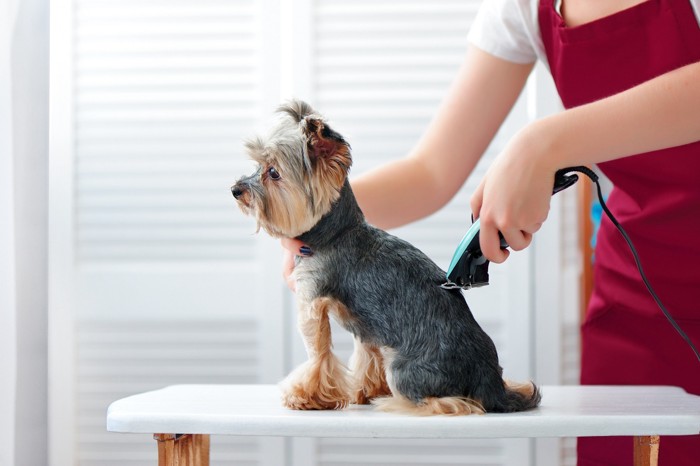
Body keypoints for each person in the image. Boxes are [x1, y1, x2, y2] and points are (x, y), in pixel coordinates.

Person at [282, 0, 700, 463]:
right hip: (638, 299)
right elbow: (431, 173)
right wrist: (319, 215)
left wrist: (543, 143)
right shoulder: (522, 8)